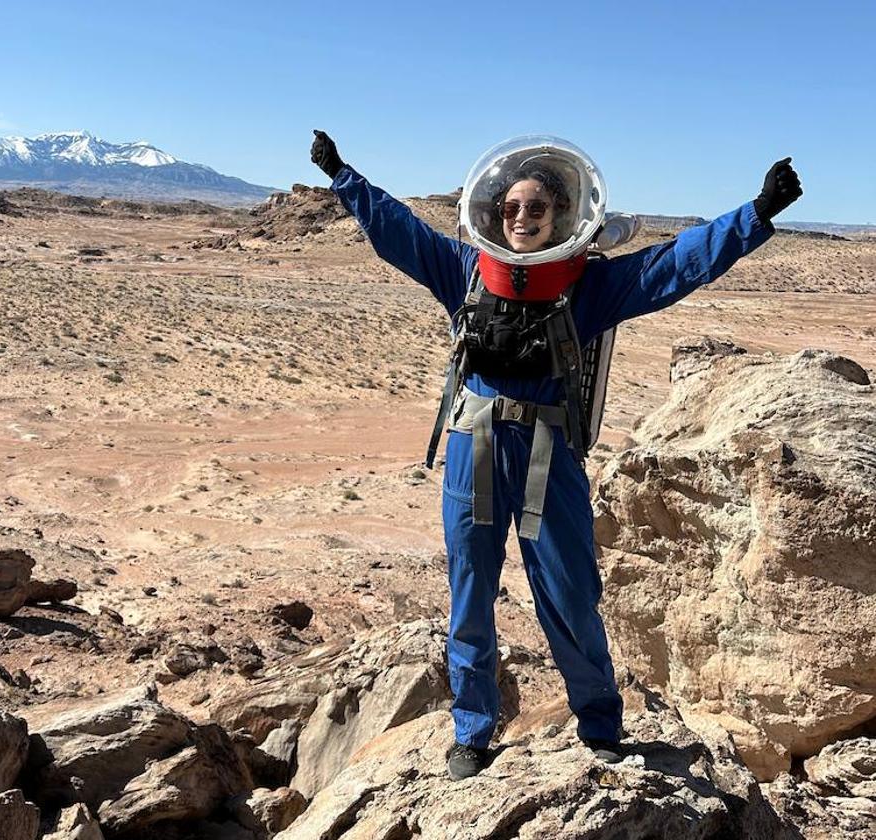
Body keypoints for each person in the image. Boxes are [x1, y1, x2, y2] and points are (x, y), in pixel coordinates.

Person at [310, 129, 802, 780]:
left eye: (535, 209)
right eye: (510, 208)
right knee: (470, 593)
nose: (520, 219)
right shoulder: (464, 269)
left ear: (561, 216)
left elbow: (677, 263)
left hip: (546, 455)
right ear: (492, 212)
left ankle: (599, 725)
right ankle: (472, 731)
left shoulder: (588, 288)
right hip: (475, 448)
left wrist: (755, 213)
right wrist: (342, 175)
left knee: (568, 594)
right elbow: (396, 230)